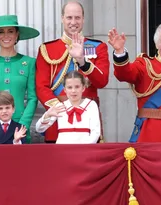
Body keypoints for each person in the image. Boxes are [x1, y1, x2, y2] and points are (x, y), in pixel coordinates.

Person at [35, 1, 109, 143]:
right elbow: (41, 87)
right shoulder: (47, 49)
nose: (73, 22)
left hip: (87, 119)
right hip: (58, 121)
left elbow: (102, 81)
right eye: (69, 18)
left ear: (83, 19)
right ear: (62, 18)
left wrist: (82, 61)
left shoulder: (98, 47)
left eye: (77, 17)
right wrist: (61, 110)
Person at [0, 15, 39, 143]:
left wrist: (23, 124)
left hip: (20, 127)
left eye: (10, 31)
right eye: (1, 32)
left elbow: (33, 98)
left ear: (17, 35)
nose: (6, 36)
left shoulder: (29, 62)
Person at [35, 71, 100, 144]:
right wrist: (47, 115)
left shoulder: (91, 105)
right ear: (65, 90)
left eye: (77, 87)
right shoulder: (60, 106)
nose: (73, 91)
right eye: (69, 87)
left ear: (83, 88)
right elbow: (39, 129)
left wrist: (84, 149)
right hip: (62, 151)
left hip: (84, 150)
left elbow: (96, 132)